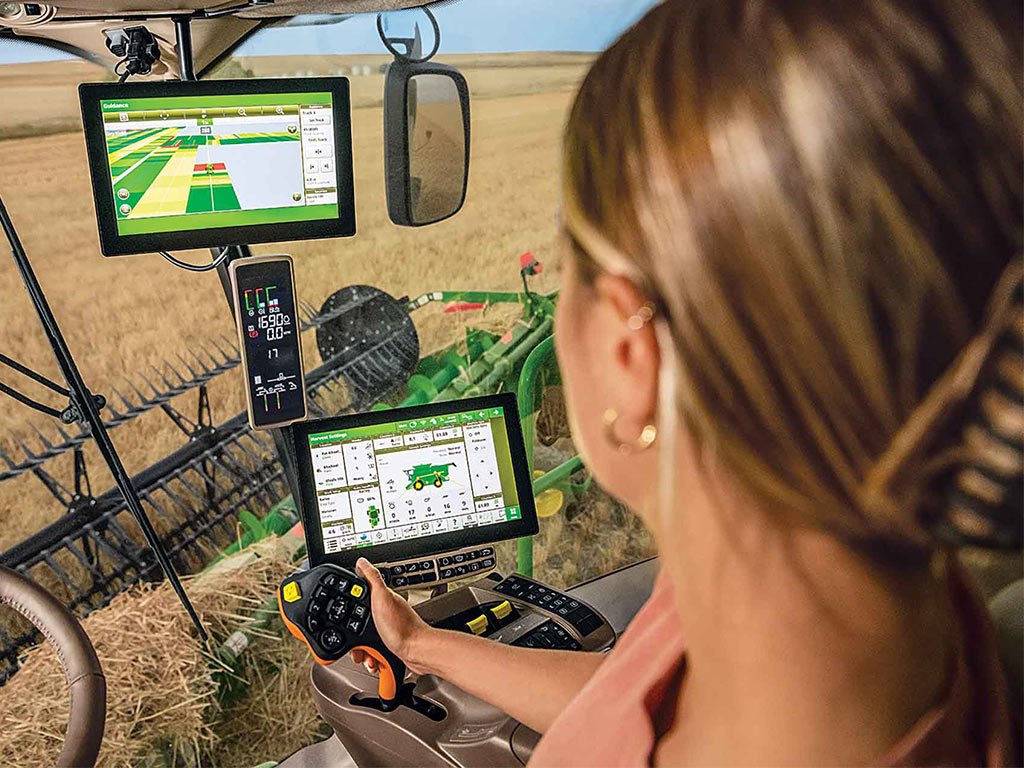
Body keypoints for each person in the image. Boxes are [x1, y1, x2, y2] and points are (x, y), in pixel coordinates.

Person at [351, 0, 1022, 763]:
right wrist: (422, 645)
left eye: (571, 267)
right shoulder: (831, 569)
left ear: (632, 354)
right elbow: (634, 697)